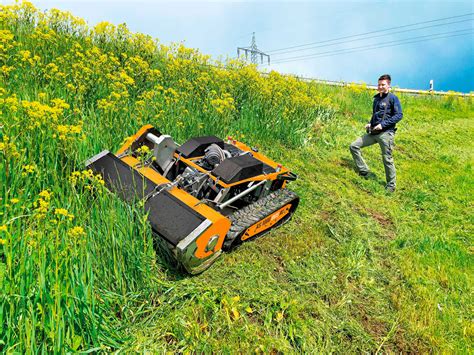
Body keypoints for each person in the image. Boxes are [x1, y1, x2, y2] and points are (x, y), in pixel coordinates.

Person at [349, 74, 403, 193]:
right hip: (374, 132)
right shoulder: (376, 99)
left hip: (386, 134)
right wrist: (370, 123)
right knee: (354, 146)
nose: (380, 86)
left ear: (388, 85)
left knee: (387, 159)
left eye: (383, 85)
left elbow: (399, 115)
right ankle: (364, 170)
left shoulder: (393, 98)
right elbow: (375, 115)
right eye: (379, 84)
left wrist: (383, 125)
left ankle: (391, 185)